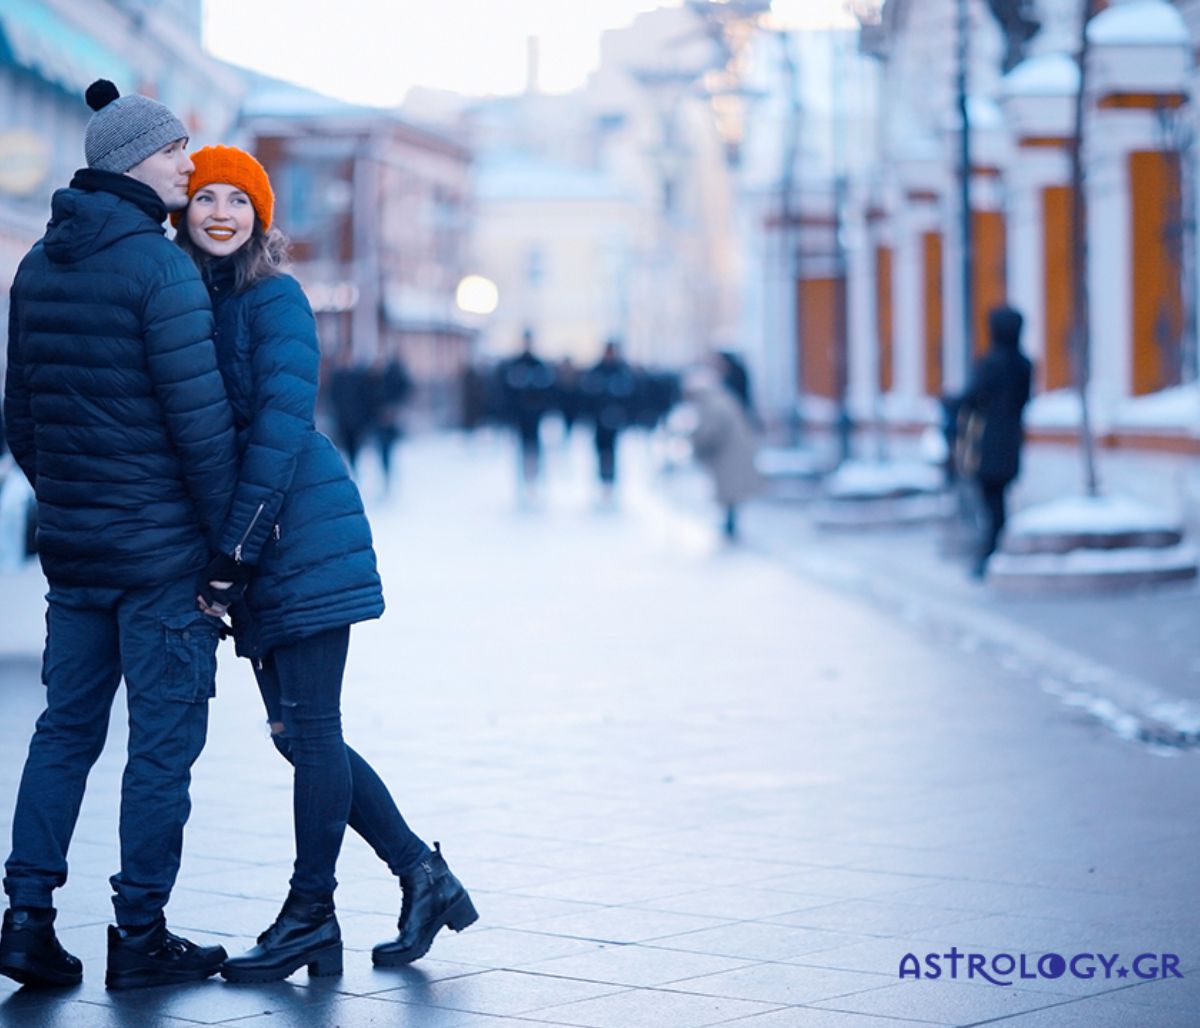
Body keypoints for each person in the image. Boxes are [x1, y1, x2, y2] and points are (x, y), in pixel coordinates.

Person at [173, 146, 477, 984]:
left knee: (309, 734)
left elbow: (276, 428)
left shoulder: (275, 299)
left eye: (241, 198)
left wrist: (234, 553)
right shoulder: (193, 298)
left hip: (295, 535)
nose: (222, 211)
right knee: (296, 736)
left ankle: (311, 914)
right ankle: (423, 875)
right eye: (207, 197)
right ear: (183, 211)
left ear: (262, 217)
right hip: (261, 543)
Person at [0, 80, 237, 990]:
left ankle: (27, 919)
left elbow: (19, 417)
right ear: (137, 158)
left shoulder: (37, 264)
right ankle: (139, 932)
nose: (190, 163)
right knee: (162, 745)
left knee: (63, 732)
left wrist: (69, 502)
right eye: (178, 149)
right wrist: (229, 550)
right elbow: (202, 429)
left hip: (76, 552)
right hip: (161, 559)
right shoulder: (158, 267)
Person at [958, 305, 1033, 577]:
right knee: (999, 498)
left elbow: (972, 397)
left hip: (986, 442)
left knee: (990, 501)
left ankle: (990, 553)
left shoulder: (990, 363)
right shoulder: (1024, 364)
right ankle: (993, 549)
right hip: (1012, 440)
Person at [682, 366, 763, 539]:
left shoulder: (713, 404)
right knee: (731, 489)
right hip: (732, 450)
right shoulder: (719, 399)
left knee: (730, 488)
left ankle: (730, 525)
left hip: (730, 453)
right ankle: (730, 523)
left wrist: (695, 443)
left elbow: (710, 431)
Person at [581, 340, 638, 499]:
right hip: (598, 420)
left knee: (612, 451)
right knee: (600, 449)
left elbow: (631, 397)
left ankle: (610, 481)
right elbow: (587, 396)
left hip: (615, 421)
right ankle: (602, 479)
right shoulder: (596, 372)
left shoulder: (622, 371)